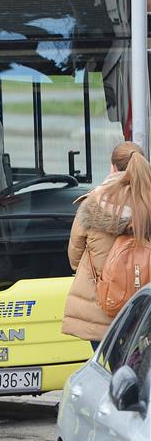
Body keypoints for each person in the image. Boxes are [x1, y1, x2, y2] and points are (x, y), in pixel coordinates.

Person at [63, 141, 151, 351]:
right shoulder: (147, 202)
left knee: (107, 374)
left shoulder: (92, 203)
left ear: (113, 167)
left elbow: (74, 259)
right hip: (144, 309)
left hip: (102, 308)